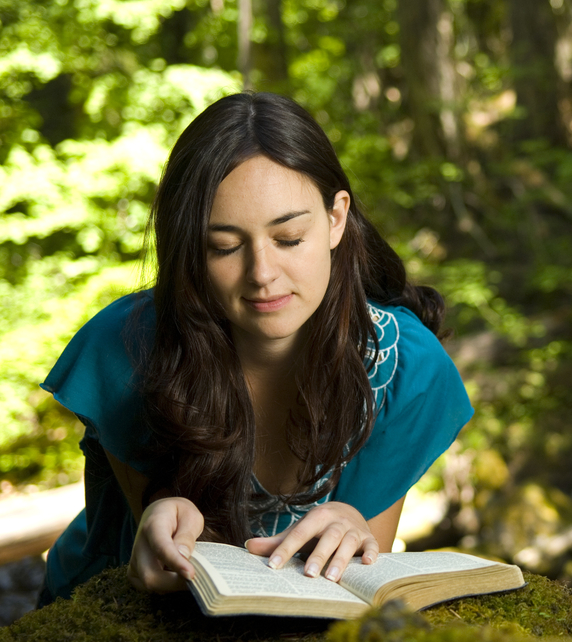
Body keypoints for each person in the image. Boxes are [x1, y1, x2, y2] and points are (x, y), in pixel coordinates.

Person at [37, 92, 473, 605]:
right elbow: (161, 573)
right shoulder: (124, 347)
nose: (262, 275)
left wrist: (353, 528)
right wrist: (158, 514)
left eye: (289, 237)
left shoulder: (406, 368)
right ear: (188, 247)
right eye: (223, 246)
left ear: (336, 219)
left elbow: (353, 589)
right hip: (106, 607)